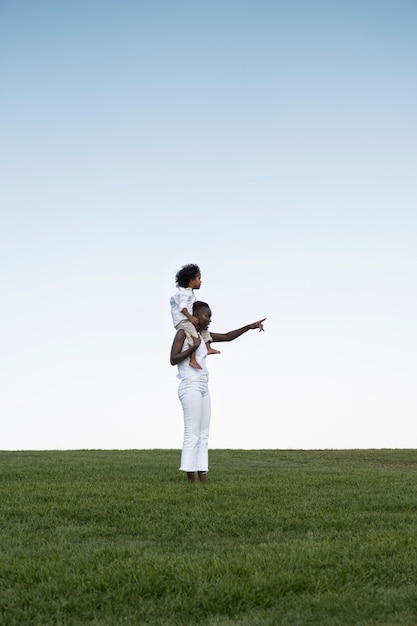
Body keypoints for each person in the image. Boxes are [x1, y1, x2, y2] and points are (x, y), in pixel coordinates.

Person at [170, 300, 266, 483]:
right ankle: (190, 477)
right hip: (190, 384)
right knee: (192, 432)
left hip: (203, 385)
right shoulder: (183, 332)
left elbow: (228, 337)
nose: (210, 320)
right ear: (195, 316)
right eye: (207, 316)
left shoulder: (203, 334)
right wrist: (193, 345)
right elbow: (173, 359)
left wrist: (250, 326)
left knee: (204, 433)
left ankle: (202, 474)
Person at [170, 263, 220, 369]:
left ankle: (208, 347)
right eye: (199, 278)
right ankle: (193, 360)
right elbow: (183, 307)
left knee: (204, 330)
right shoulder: (184, 293)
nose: (201, 281)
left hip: (187, 319)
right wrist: (191, 317)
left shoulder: (190, 293)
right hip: (183, 321)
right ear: (191, 281)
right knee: (195, 338)